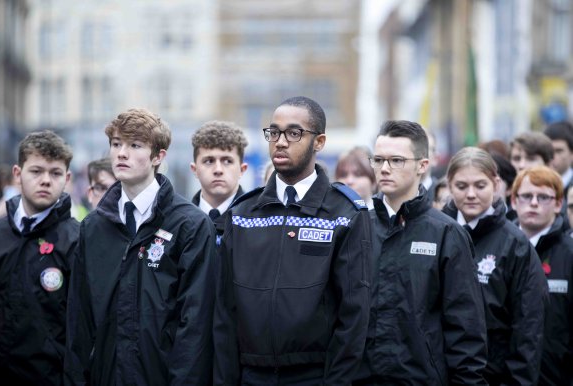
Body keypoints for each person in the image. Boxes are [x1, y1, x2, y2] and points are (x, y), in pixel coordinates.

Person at [214, 96, 371, 385]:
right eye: (274, 132)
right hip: (251, 376)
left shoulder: (345, 214)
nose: (281, 142)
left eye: (294, 133)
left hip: (313, 376)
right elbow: (224, 314)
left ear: (319, 142)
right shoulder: (242, 214)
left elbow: (354, 315)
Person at [65, 108, 216, 385]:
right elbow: (79, 320)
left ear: (158, 156)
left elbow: (195, 326)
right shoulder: (94, 227)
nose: (122, 153)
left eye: (135, 145)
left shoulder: (190, 225)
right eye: (116, 144)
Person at [354, 120, 487, 385]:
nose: (385, 169)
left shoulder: (446, 233)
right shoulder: (356, 228)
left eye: (397, 160)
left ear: (422, 165)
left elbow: (466, 328)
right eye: (378, 160)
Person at [443, 147, 548, 385]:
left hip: (494, 374)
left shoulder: (515, 244)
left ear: (496, 183)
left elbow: (528, 325)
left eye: (480, 186)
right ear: (449, 185)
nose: (471, 194)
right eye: (461, 186)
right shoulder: (436, 234)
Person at [0, 130, 79, 385]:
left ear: (67, 178)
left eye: (55, 173)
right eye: (36, 171)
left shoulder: (76, 242)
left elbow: (83, 329)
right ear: (18, 175)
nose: (45, 180)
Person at [511, 166, 573, 385]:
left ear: (558, 204)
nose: (534, 203)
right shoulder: (499, 249)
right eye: (527, 196)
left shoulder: (569, 253)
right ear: (513, 200)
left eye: (544, 197)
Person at [190, 120, 248, 238]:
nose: (218, 170)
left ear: (242, 170)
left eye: (227, 161)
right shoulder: (178, 221)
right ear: (194, 169)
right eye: (209, 161)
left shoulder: (257, 222)